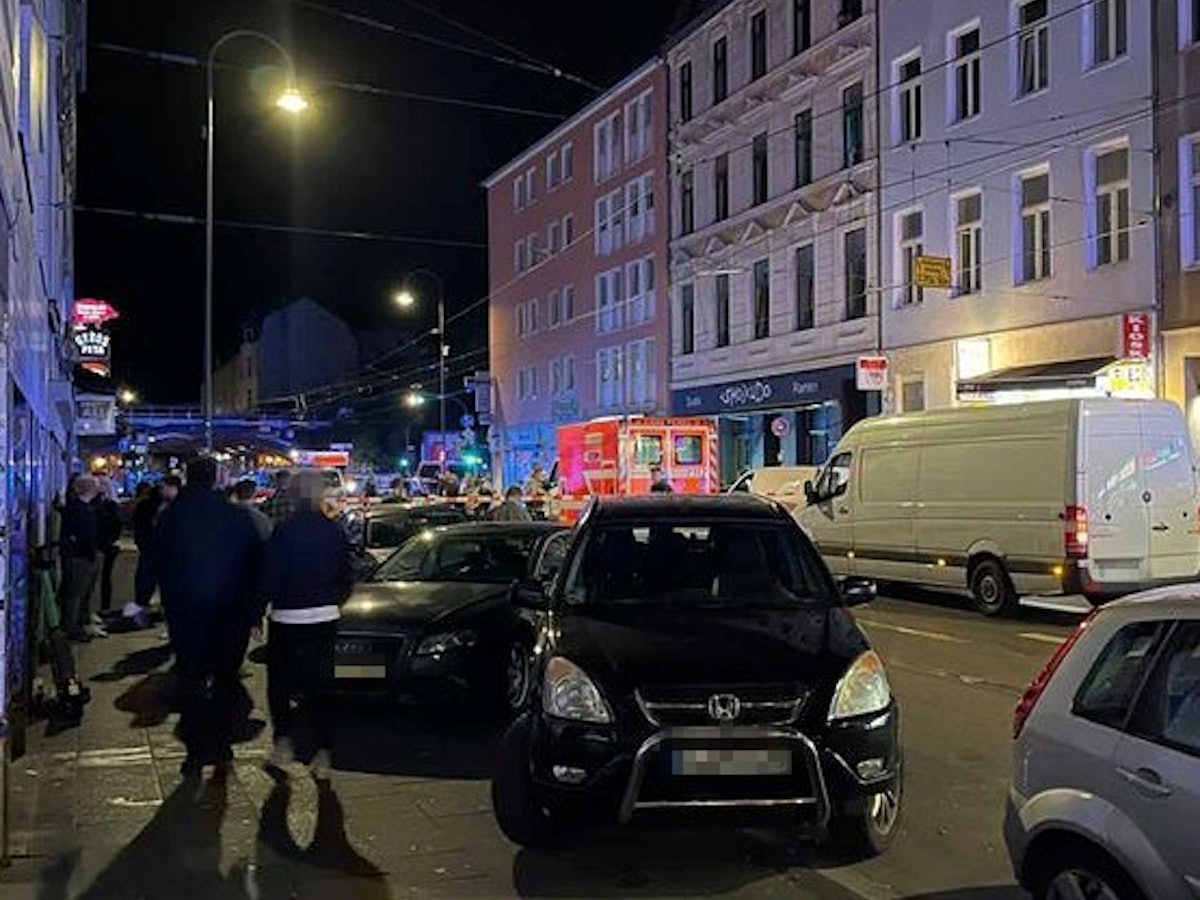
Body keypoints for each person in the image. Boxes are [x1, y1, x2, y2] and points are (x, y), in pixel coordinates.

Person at [152, 457, 265, 776]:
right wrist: (255, 610)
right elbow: (257, 563)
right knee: (227, 679)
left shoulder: (172, 516)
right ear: (216, 478)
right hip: (232, 612)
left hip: (187, 612)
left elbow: (155, 560)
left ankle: (196, 749)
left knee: (191, 679)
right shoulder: (236, 516)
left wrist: (143, 598)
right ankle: (222, 744)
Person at [257, 469, 353, 779]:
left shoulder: (284, 532)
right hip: (325, 616)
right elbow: (346, 576)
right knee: (322, 686)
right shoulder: (334, 531)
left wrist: (256, 611)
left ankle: (283, 741)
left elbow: (270, 575)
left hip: (289, 616)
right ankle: (324, 751)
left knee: (280, 684)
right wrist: (334, 600)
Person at [58, 475, 104, 640]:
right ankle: (72, 628)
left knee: (79, 594)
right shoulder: (81, 510)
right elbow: (84, 536)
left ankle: (76, 625)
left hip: (80, 556)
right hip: (80, 557)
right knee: (76, 594)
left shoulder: (79, 508)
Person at [93, 476, 124, 620]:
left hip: (104, 545)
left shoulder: (107, 506)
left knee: (103, 577)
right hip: (106, 545)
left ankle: (104, 607)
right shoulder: (110, 506)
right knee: (103, 577)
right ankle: (103, 607)